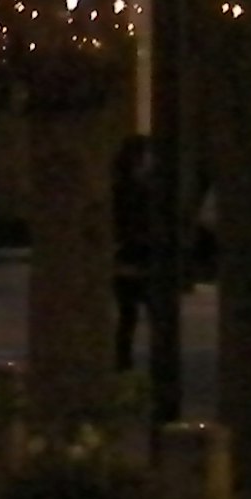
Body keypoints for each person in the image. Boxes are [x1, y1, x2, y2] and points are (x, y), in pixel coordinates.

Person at [110, 132, 162, 371]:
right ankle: (134, 361)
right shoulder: (140, 190)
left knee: (129, 314)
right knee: (139, 312)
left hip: (129, 257)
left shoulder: (125, 188)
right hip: (137, 256)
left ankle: (124, 361)